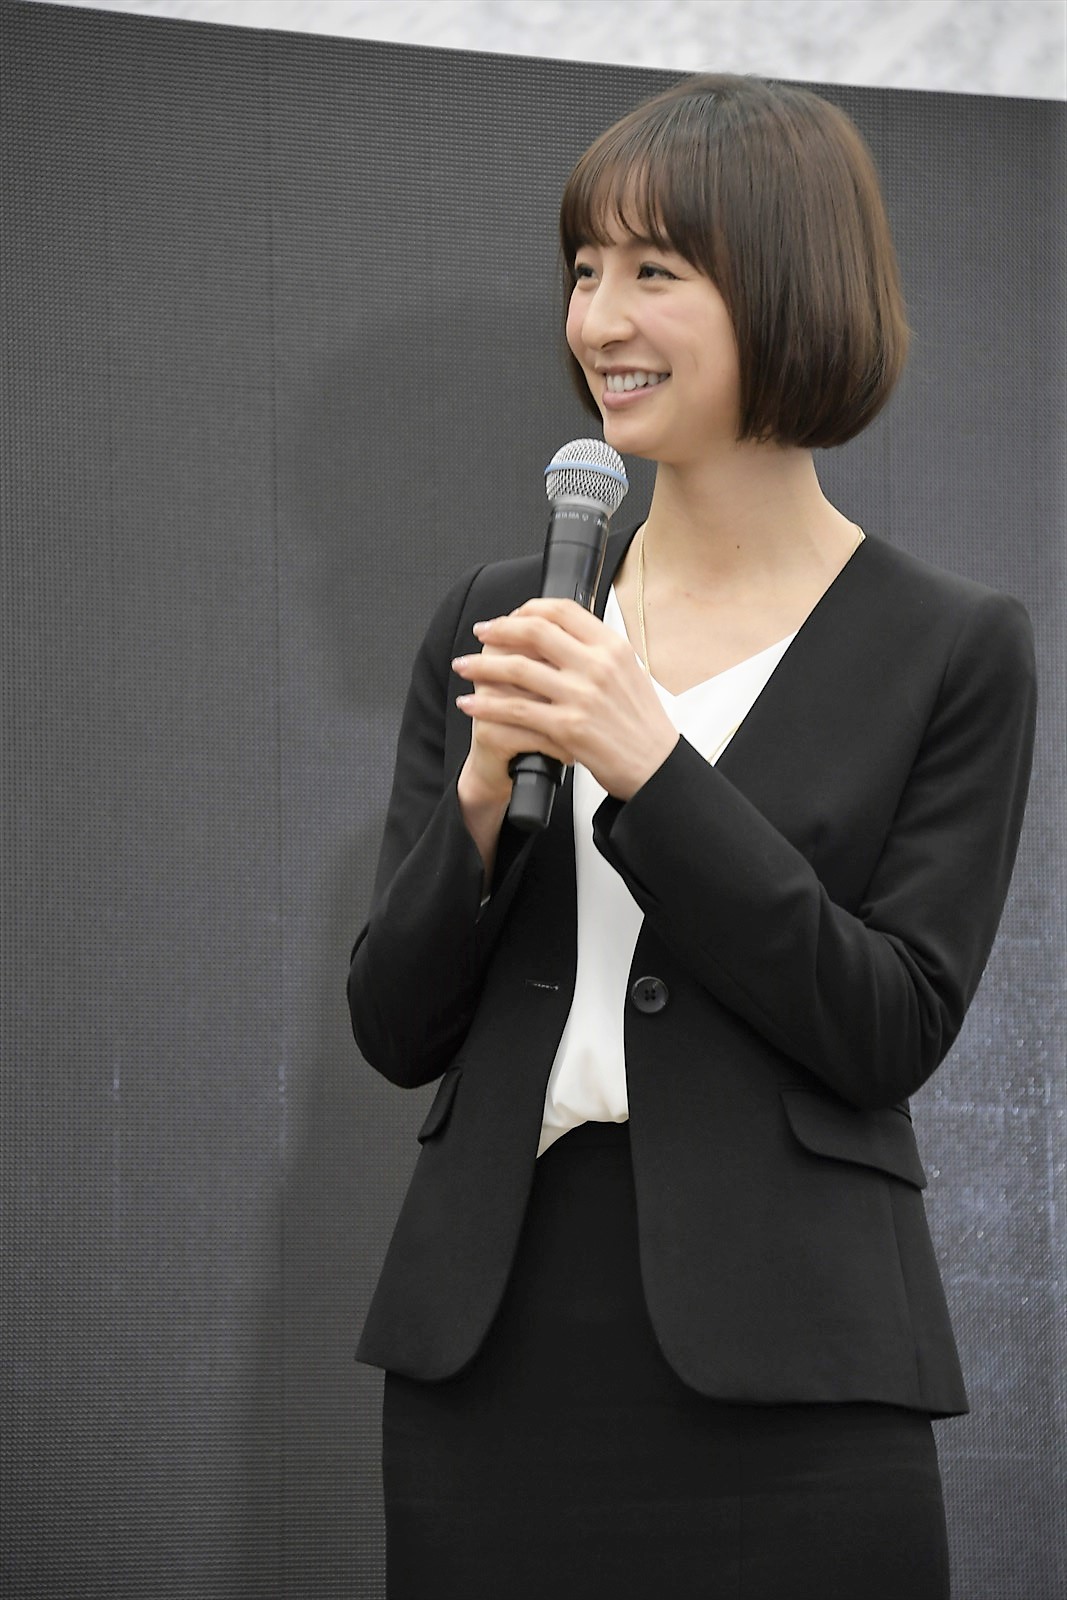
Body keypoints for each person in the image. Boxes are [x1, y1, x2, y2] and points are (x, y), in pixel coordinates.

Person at [347, 73, 1036, 1600]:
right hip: (488, 1347)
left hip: (798, 1372)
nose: (600, 319)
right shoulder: (500, 615)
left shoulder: (952, 646)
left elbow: (888, 1022)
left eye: (654, 270)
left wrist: (653, 767)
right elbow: (394, 1027)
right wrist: (480, 802)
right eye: (584, 269)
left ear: (790, 286)